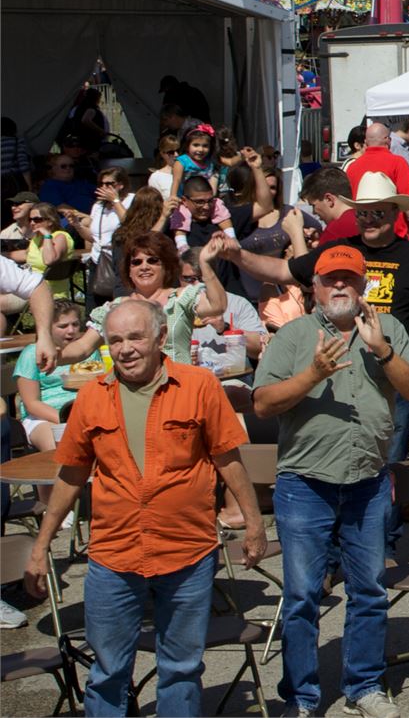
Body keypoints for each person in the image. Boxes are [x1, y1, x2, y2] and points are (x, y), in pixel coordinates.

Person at [24, 298, 264, 717]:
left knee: (181, 668)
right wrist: (42, 544)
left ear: (159, 338)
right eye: (115, 340)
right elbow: (71, 476)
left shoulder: (198, 385)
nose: (125, 348)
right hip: (114, 556)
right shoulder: (92, 398)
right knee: (108, 671)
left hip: (187, 551)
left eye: (135, 337)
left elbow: (228, 458)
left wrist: (254, 524)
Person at [254, 245, 409, 718]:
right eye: (331, 279)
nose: (339, 287)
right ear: (314, 287)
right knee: (303, 595)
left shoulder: (386, 328)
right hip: (304, 483)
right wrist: (312, 374)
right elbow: (264, 404)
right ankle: (302, 697)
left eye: (348, 278)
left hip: (368, 480)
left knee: (369, 589)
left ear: (364, 284)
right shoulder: (293, 336)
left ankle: (364, 686)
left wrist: (382, 350)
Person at [229, 172, 409, 470]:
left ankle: (385, 509)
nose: (368, 219)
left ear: (394, 212)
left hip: (392, 368)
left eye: (377, 212)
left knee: (389, 459)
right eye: (362, 213)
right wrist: (237, 255)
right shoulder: (338, 250)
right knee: (331, 445)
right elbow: (281, 271)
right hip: (336, 367)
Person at [60, 229, 229, 368]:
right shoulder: (116, 308)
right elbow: (82, 348)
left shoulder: (181, 297)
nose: (144, 267)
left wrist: (205, 264)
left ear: (166, 266)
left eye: (152, 260)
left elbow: (217, 306)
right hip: (133, 391)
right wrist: (52, 355)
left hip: (179, 386)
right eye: (136, 262)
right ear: (129, 271)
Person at [15, 297, 84, 451]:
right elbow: (32, 404)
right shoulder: (32, 353)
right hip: (43, 417)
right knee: (63, 446)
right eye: (63, 326)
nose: (71, 330)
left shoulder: (88, 352)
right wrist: (67, 419)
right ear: (47, 328)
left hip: (85, 413)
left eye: (75, 324)